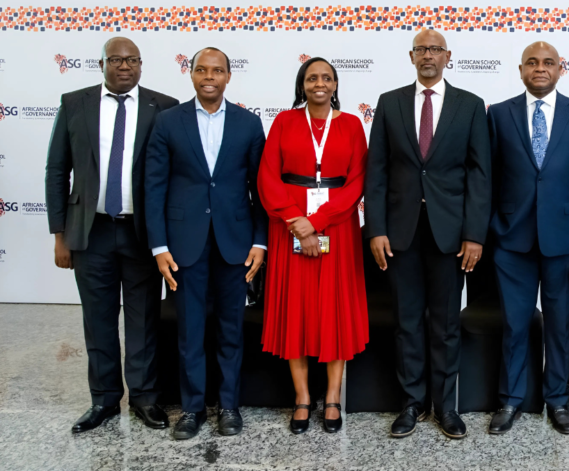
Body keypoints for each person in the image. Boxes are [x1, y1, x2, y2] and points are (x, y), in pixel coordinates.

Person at [44, 37, 178, 434]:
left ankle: (144, 398)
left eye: (132, 60)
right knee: (98, 320)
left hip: (142, 234)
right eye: (116, 60)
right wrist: (59, 233)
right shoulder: (75, 103)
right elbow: (56, 171)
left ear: (141, 65)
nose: (125, 66)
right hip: (91, 231)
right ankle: (103, 401)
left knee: (143, 320)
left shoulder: (163, 107)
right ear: (101, 63)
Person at [365, 29, 490, 439]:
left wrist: (474, 235)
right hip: (399, 233)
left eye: (435, 49)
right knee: (406, 322)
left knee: (446, 324)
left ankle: (445, 406)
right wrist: (376, 229)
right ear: (411, 56)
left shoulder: (470, 106)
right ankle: (411, 404)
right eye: (422, 49)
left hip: (450, 235)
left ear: (447, 56)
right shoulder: (389, 103)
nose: (428, 56)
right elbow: (377, 172)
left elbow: (479, 175)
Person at [145, 47, 268, 440]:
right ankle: (193, 409)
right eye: (202, 69)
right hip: (183, 246)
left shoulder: (249, 125)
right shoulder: (167, 123)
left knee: (231, 329)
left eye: (217, 70)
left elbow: (260, 189)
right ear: (192, 74)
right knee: (190, 330)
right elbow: (154, 189)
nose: (209, 76)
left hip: (235, 243)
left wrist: (260, 242)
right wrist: (159, 247)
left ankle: (229, 406)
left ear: (229, 77)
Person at [485, 42, 569, 435]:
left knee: (558, 325)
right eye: (532, 62)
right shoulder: (498, 115)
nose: (540, 68)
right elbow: (490, 179)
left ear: (560, 69)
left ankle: (558, 400)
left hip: (564, 242)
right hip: (511, 240)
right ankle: (511, 400)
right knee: (515, 325)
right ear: (520, 70)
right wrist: (487, 233)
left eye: (548, 62)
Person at [258, 57, 369, 434]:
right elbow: (268, 177)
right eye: (311, 78)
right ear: (301, 85)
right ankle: (303, 397)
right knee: (297, 310)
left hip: (336, 228)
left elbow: (356, 184)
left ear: (335, 85)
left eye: (326, 78)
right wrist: (296, 222)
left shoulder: (353, 125)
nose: (319, 83)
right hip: (289, 227)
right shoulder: (284, 122)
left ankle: (333, 397)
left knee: (333, 311)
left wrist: (316, 222)